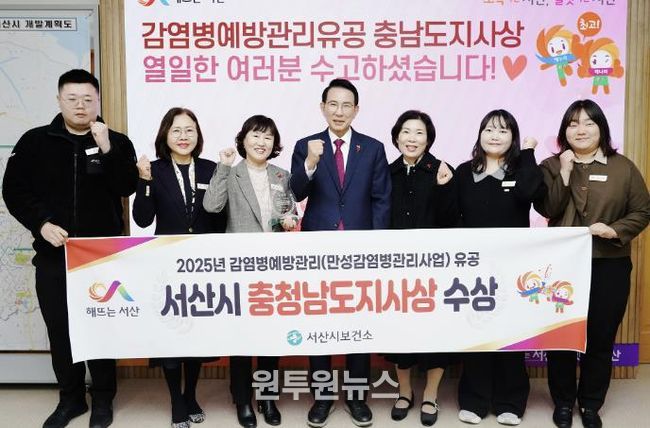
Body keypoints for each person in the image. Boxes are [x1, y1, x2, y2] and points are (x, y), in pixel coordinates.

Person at [2, 69, 138, 428]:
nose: (80, 105)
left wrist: (107, 149)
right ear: (59, 100)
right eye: (72, 99)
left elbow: (127, 186)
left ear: (98, 101)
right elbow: (14, 190)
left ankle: (103, 398)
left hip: (102, 257)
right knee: (61, 330)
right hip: (54, 255)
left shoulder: (117, 141)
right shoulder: (35, 141)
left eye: (88, 99)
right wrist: (42, 223)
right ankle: (71, 398)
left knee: (101, 328)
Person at [535, 99, 650, 428]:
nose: (581, 130)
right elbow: (548, 208)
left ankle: (590, 404)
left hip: (608, 263)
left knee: (600, 337)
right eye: (573, 124)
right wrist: (565, 172)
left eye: (589, 123)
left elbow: (642, 210)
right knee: (561, 337)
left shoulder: (623, 167)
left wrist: (615, 230)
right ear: (564, 131)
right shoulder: (550, 165)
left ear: (602, 128)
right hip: (561, 267)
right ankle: (563, 403)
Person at [289, 78, 391, 427]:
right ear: (323, 107)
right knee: (320, 324)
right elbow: (296, 192)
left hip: (361, 252)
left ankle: (357, 398)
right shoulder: (306, 146)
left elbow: (381, 200)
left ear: (356, 110)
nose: (339, 111)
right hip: (318, 251)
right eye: (333, 104)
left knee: (358, 325)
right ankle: (322, 397)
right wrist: (310, 162)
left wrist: (377, 248)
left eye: (346, 105)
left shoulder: (373, 148)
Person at [132, 107, 225, 428]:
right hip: (167, 266)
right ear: (165, 135)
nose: (183, 136)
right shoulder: (154, 170)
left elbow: (220, 218)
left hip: (203, 266)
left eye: (189, 130)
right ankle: (176, 400)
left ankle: (191, 395)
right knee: (171, 335)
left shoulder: (211, 168)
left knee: (195, 336)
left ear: (198, 135)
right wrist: (144, 181)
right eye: (176, 130)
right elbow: (142, 218)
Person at [203, 115, 297, 428]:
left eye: (268, 137)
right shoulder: (231, 173)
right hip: (241, 269)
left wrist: (290, 219)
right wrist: (223, 167)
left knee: (271, 337)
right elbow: (211, 206)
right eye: (255, 135)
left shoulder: (282, 175)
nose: (261, 142)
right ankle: (243, 399)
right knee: (242, 337)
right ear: (243, 140)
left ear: (274, 144)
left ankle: (267, 398)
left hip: (274, 268)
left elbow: (290, 211)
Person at [455, 109, 544, 426]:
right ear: (480, 134)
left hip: (513, 268)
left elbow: (532, 193)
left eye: (503, 131)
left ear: (513, 138)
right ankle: (475, 400)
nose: (495, 135)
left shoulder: (521, 170)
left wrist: (529, 153)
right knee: (477, 332)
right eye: (489, 129)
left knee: (510, 334)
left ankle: (511, 401)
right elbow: (453, 217)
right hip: (473, 269)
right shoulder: (464, 172)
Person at [383, 110, 458, 427]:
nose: (411, 138)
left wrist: (443, 188)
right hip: (395, 269)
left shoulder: (442, 170)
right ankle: (404, 392)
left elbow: (452, 220)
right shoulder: (386, 172)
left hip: (434, 270)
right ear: (396, 136)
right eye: (406, 131)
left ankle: (430, 394)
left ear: (429, 139)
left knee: (434, 333)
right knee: (399, 332)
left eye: (419, 133)